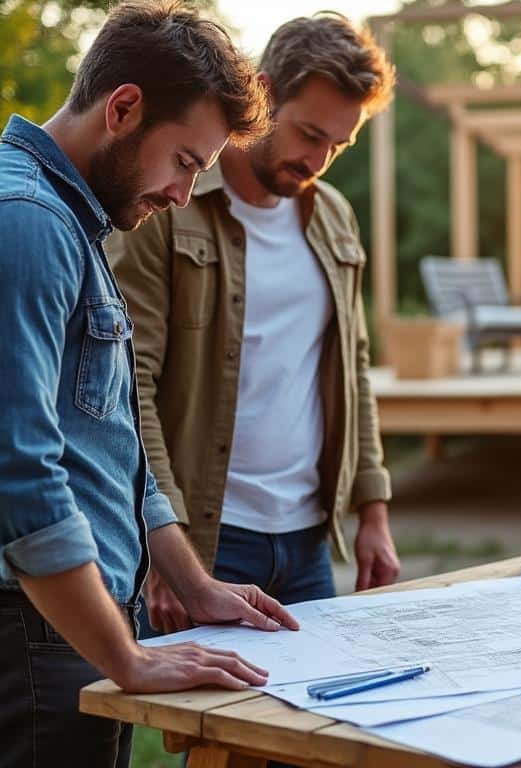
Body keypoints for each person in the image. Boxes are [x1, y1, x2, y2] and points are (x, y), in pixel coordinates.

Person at [0, 3, 299, 766]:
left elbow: (106, 442)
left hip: (53, 624)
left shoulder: (66, 223)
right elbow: (14, 476)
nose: (184, 194)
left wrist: (193, 582)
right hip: (23, 632)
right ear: (123, 109)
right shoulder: (18, 224)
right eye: (185, 161)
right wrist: (129, 658)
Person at [108, 13, 400, 636]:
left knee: (312, 726)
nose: (318, 159)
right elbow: (127, 387)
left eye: (337, 146)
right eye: (308, 134)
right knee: (209, 728)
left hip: (308, 541)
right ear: (263, 95)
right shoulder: (167, 207)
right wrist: (168, 549)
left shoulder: (336, 220)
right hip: (210, 540)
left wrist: (372, 511)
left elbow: (353, 368)